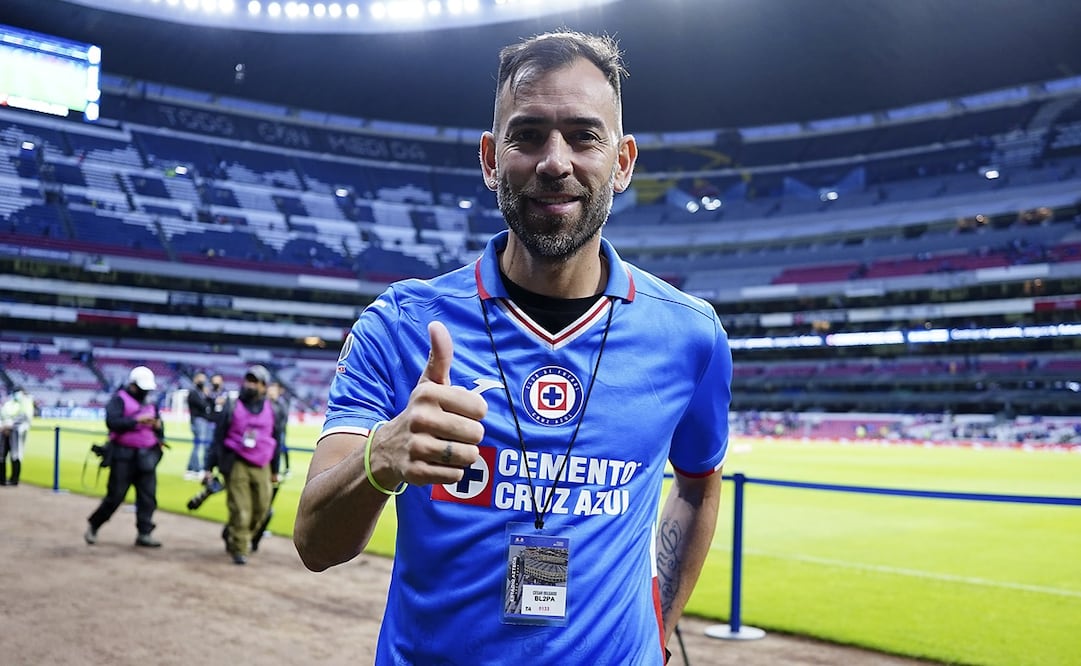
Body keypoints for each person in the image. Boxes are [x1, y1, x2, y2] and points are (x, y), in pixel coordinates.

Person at [293, 31, 731, 664]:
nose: (555, 161)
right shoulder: (400, 324)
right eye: (527, 135)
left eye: (584, 136)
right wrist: (382, 457)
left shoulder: (691, 335)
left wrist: (659, 628)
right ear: (491, 158)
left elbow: (697, 483)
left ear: (625, 161)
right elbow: (314, 543)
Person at [203, 365, 282, 565]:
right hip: (236, 460)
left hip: (262, 463)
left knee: (262, 509)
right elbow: (217, 438)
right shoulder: (231, 405)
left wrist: (275, 470)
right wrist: (208, 467)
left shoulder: (273, 409)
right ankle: (239, 548)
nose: (250, 385)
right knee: (241, 509)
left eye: (255, 382)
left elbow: (277, 440)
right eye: (248, 380)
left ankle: (232, 532)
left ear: (264, 386)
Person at [85, 366, 166, 547]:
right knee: (115, 496)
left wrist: (157, 427)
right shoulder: (119, 399)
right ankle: (94, 524)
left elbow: (161, 427)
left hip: (146, 456)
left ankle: (144, 533)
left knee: (148, 497)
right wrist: (136, 421)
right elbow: (112, 422)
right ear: (133, 385)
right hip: (123, 456)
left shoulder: (151, 403)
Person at [0, 387, 34, 486]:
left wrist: (9, 425)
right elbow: (2, 415)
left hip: (16, 434)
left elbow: (25, 418)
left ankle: (14, 479)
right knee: (2, 455)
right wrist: (3, 426)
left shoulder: (26, 403)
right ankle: (2, 479)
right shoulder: (8, 403)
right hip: (3, 433)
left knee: (16, 455)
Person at [185, 371, 214, 480]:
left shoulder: (201, 392)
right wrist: (206, 399)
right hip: (198, 420)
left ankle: (192, 468)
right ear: (195, 379)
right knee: (199, 445)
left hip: (202, 421)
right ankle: (196, 468)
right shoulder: (193, 392)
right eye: (200, 379)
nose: (202, 381)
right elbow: (203, 406)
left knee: (199, 445)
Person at [267, 380, 291, 477]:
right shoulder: (266, 403)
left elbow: (283, 419)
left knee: (281, 449)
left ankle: (283, 469)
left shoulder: (281, 404)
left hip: (279, 432)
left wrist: (278, 429)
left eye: (273, 391)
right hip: (269, 433)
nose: (271, 393)